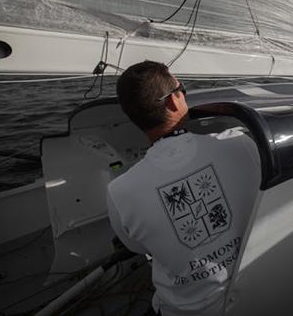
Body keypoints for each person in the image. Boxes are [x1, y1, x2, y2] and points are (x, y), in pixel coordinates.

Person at [107, 60, 260, 316]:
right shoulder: (240, 145)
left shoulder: (120, 192)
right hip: (255, 295)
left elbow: (137, 248)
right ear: (173, 101)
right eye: (183, 88)